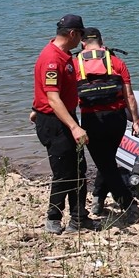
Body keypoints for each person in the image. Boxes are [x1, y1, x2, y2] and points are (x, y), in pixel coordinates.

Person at [31, 14, 92, 234]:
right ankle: (53, 218)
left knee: (79, 168)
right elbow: (52, 98)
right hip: (55, 121)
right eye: (81, 35)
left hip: (62, 116)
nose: (82, 41)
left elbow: (46, 90)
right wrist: (74, 127)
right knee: (63, 172)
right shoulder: (52, 59)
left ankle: (79, 217)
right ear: (73, 33)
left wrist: (34, 106)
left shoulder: (64, 55)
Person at [74, 27, 139, 223]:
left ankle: (128, 204)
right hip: (117, 119)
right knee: (108, 160)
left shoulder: (75, 63)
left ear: (82, 43)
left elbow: (67, 95)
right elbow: (129, 96)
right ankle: (98, 199)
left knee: (105, 163)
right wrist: (135, 121)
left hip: (92, 119)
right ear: (102, 42)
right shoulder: (117, 62)